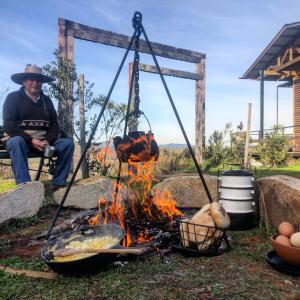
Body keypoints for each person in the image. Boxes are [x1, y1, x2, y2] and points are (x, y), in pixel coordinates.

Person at [2, 64, 74, 190]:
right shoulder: (13, 98)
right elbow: (9, 125)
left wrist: (47, 140)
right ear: (24, 81)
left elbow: (54, 125)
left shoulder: (47, 101)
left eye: (39, 80)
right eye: (31, 79)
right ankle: (25, 188)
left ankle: (58, 184)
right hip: (22, 142)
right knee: (16, 142)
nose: (35, 83)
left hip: (43, 144)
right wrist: (32, 140)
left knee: (67, 144)